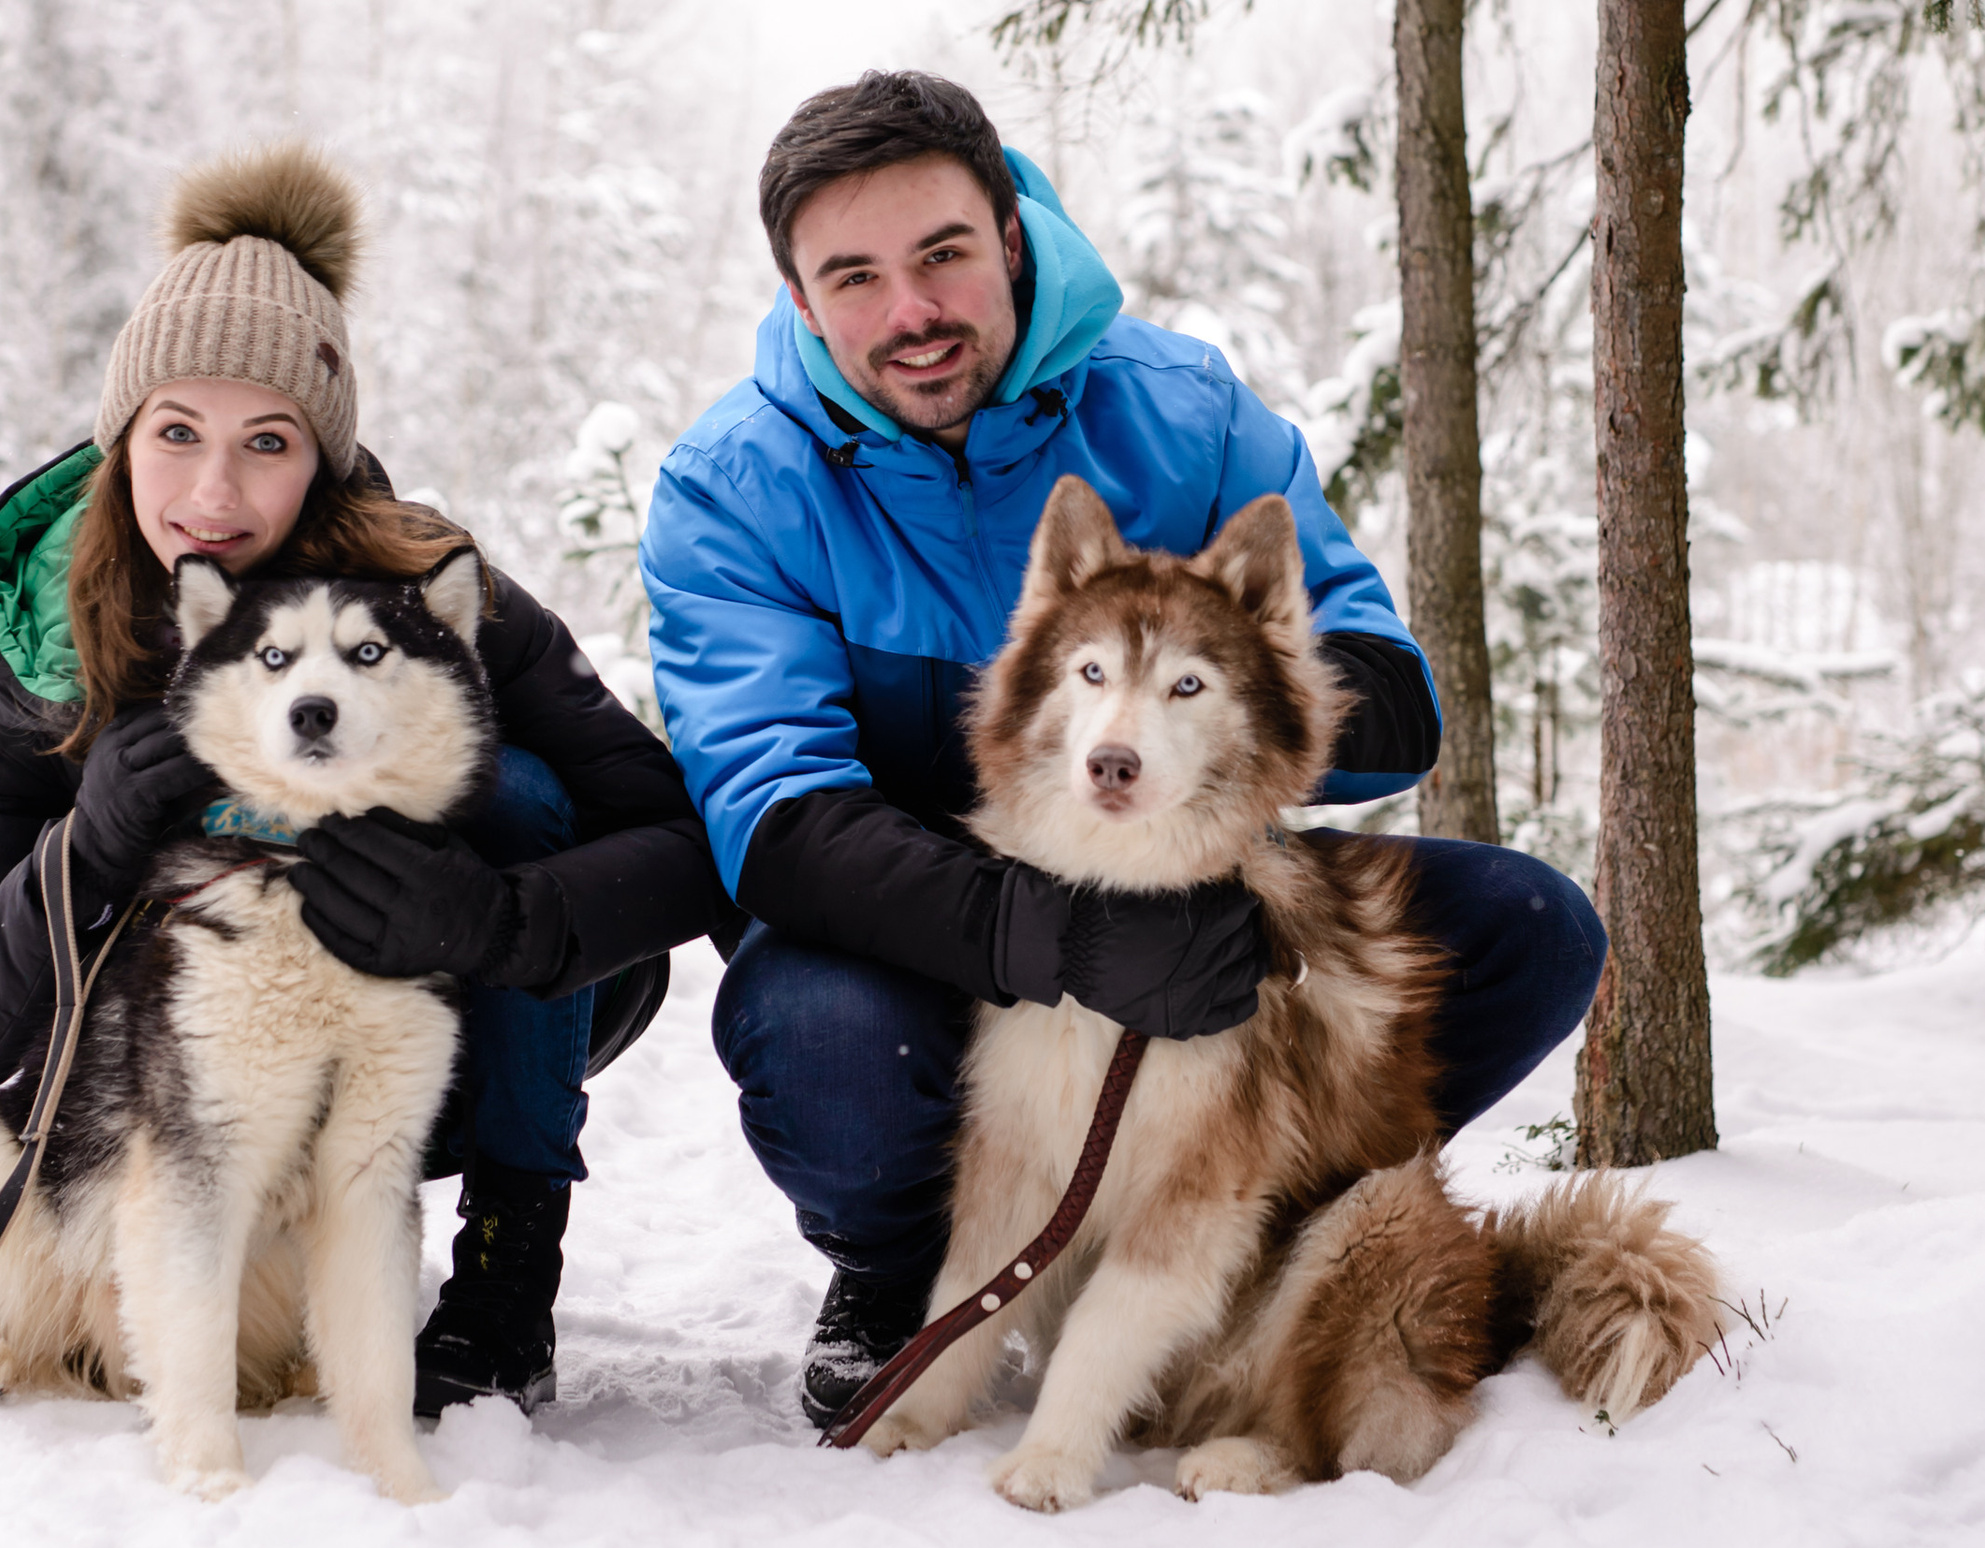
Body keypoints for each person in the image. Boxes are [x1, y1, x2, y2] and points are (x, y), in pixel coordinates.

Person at [641, 69, 1609, 1430]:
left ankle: (1258, 1227)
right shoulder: (737, 487)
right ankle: (898, 1268)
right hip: (912, 931)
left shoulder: (1178, 407)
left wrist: (1212, 733)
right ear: (801, 303)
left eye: (942, 255)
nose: (909, 312)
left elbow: (1387, 689)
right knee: (820, 1029)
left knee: (1523, 924)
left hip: (1191, 874)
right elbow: (779, 819)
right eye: (853, 278)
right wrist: (1067, 933)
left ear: (1013, 239)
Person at [0, 142, 727, 1417]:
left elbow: (677, 838)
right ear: (121, 442)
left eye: (267, 442)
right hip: (128, 1102)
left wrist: (493, 921)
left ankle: (508, 1277)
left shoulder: (420, 603)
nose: (213, 494)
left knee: (517, 795)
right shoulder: (42, 649)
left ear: (323, 462)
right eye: (175, 434)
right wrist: (92, 842)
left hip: (394, 1056)